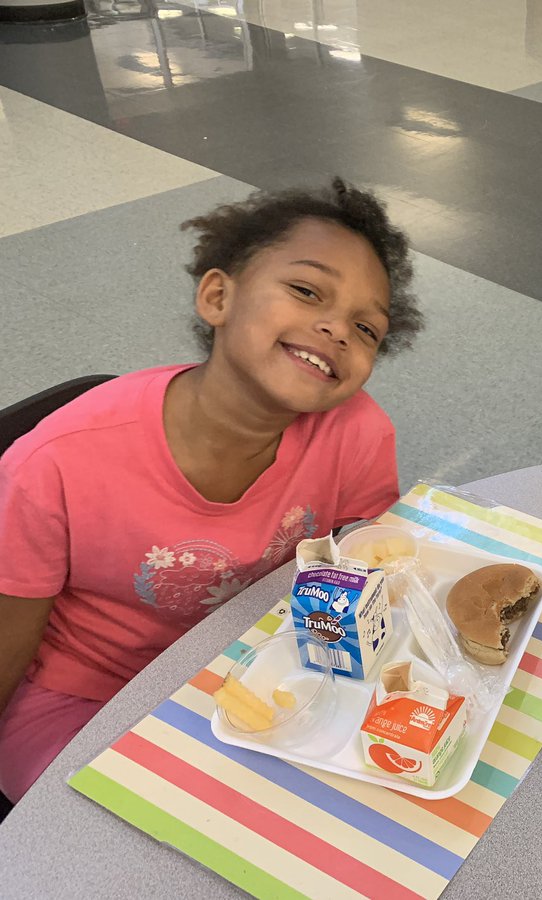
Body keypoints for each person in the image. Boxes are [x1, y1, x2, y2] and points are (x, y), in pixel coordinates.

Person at [0, 177, 421, 801]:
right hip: (82, 698)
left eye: (366, 329)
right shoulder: (55, 463)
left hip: (252, 671)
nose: (337, 328)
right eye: (307, 291)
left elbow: (363, 572)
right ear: (219, 296)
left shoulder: (357, 434)